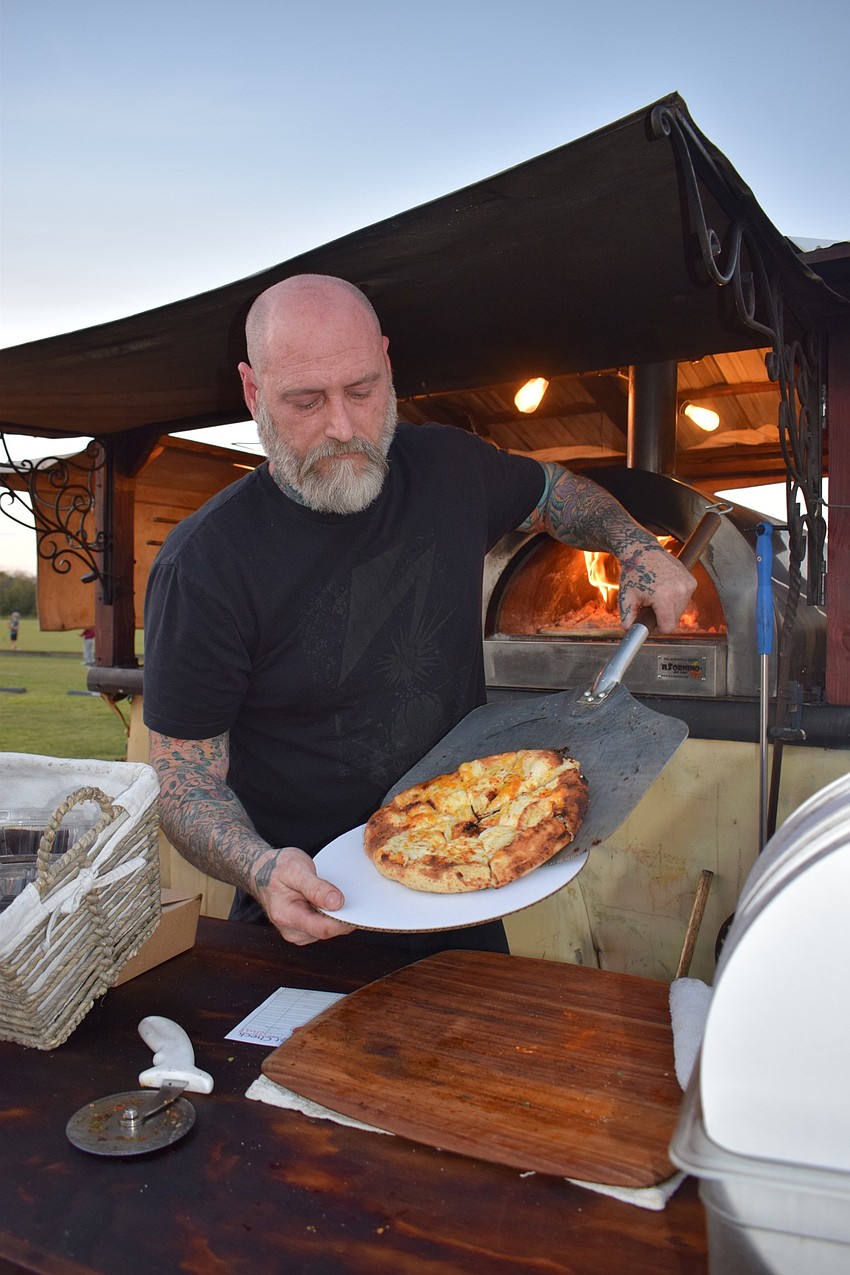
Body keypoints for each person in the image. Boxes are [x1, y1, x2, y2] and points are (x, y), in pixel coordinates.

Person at [143, 275, 695, 952]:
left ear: (387, 363)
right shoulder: (204, 564)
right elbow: (183, 784)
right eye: (306, 401)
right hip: (306, 914)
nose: (342, 427)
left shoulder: (449, 468)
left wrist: (635, 544)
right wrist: (262, 868)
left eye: (362, 390)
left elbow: (554, 491)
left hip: (469, 868)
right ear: (255, 392)